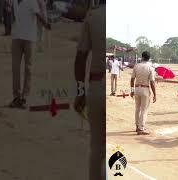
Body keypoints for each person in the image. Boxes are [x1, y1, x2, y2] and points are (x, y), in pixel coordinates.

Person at [73, 0, 105, 179]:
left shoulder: (93, 16)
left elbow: (80, 58)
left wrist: (80, 91)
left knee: (96, 149)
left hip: (96, 85)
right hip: (112, 91)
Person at [9, 0, 51, 108]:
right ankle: (16, 97)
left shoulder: (31, 1)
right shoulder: (14, 2)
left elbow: (38, 15)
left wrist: (46, 24)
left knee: (28, 68)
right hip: (16, 37)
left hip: (29, 39)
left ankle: (24, 98)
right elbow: (14, 17)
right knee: (15, 69)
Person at [130, 51, 156, 135]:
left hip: (137, 88)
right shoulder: (150, 68)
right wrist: (155, 93)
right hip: (145, 89)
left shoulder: (136, 66)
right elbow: (152, 82)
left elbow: (132, 79)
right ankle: (141, 128)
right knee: (144, 110)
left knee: (137, 108)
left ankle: (137, 126)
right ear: (149, 58)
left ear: (142, 57)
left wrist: (132, 90)